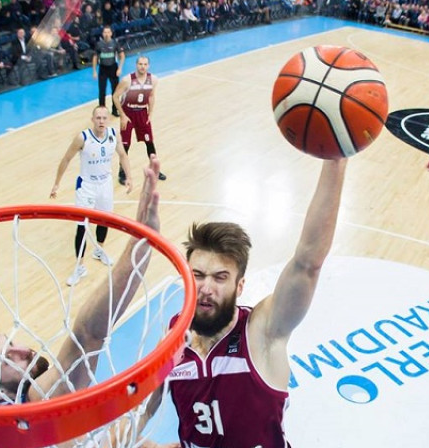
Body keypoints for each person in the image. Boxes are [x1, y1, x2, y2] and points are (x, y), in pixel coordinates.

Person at [142, 157, 348, 447]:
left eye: (220, 277)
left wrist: (335, 161)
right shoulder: (176, 333)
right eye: (198, 275)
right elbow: (152, 398)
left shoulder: (261, 331)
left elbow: (307, 263)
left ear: (240, 286)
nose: (206, 288)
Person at [0, 155, 160, 403]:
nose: (23, 350)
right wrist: (138, 243)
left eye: (11, 342)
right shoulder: (36, 398)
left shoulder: (9, 422)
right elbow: (89, 334)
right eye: (9, 359)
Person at [49, 106, 133, 286]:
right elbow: (66, 159)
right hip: (86, 186)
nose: (101, 121)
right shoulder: (83, 138)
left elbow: (123, 155)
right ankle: (79, 267)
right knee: (82, 226)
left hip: (105, 184)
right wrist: (57, 183)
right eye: (98, 118)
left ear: (108, 119)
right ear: (92, 119)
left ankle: (98, 250)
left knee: (105, 220)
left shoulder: (113, 134)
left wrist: (129, 177)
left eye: (104, 118)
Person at [112, 55, 167, 185]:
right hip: (128, 112)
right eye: (140, 64)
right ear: (136, 65)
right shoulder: (127, 80)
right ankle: (122, 171)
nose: (142, 66)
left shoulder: (153, 79)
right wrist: (122, 115)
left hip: (142, 112)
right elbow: (115, 97)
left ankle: (155, 168)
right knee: (125, 144)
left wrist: (150, 113)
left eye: (145, 64)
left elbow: (152, 96)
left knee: (150, 142)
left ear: (148, 66)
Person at [92, 26, 125, 115]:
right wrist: (94, 70)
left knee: (115, 91)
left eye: (108, 32)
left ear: (111, 33)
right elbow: (95, 57)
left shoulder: (115, 43)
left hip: (113, 68)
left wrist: (120, 68)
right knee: (102, 91)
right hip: (103, 69)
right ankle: (102, 112)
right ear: (102, 34)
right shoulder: (99, 44)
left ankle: (115, 110)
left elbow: (122, 55)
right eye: (105, 32)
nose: (106, 34)